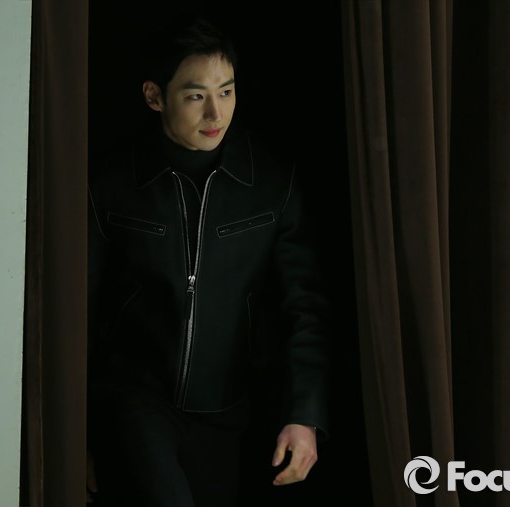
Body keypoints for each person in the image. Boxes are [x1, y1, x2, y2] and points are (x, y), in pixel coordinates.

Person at [86, 15, 331, 507]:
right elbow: (78, 307)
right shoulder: (110, 180)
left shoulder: (272, 182)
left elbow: (304, 306)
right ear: (155, 96)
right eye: (196, 95)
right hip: (135, 399)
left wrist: (305, 415)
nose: (216, 112)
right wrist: (76, 429)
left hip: (227, 409)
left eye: (227, 91)